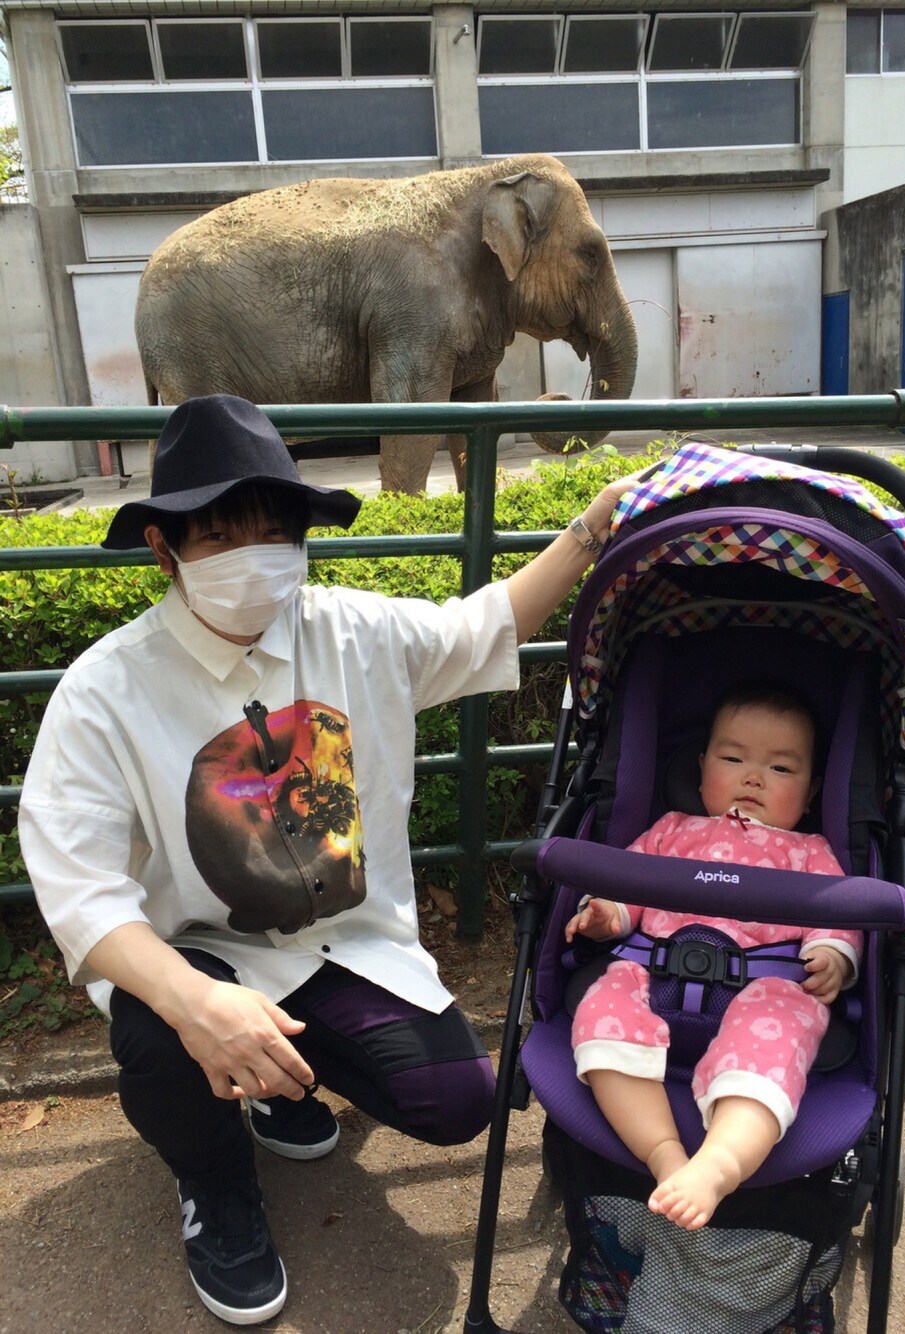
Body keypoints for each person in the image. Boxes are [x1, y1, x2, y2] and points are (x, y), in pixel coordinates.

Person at [18, 394, 639, 1327]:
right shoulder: (106, 692)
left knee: (455, 1100)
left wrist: (594, 526)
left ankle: (280, 1086)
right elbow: (81, 890)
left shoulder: (351, 633)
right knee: (158, 1036)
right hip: (197, 952)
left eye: (274, 529)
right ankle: (215, 1182)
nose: (253, 555)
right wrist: (200, 1006)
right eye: (219, 533)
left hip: (339, 943)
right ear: (162, 548)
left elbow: (483, 627)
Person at [564, 682, 862, 1232]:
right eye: (733, 758)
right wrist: (607, 911)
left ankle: (719, 1164)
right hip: (650, 974)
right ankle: (664, 1154)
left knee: (780, 1027)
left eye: (781, 768)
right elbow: (625, 884)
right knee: (602, 1010)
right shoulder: (669, 831)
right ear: (700, 769)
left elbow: (838, 909)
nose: (754, 778)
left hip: (763, 990)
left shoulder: (808, 852)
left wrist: (832, 952)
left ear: (812, 791)